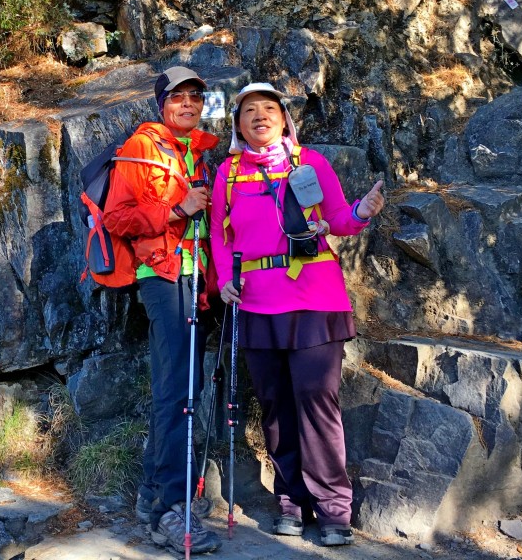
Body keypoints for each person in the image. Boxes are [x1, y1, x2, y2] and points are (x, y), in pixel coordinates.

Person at [208, 82, 385, 547]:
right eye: (249, 111)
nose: (259, 116)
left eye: (269, 108)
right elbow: (220, 240)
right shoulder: (227, 173)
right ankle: (290, 501)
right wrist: (225, 279)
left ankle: (332, 510)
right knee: (274, 408)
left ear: (284, 118)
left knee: (316, 403)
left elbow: (340, 220)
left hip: (314, 300)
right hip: (255, 304)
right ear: (238, 123)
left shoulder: (310, 164)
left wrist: (362, 211)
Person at [103, 66, 222, 554]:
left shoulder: (202, 152)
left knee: (183, 386)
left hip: (198, 282)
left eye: (195, 96)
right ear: (161, 104)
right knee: (177, 391)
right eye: (178, 96)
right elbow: (116, 216)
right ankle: (170, 511)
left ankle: (153, 493)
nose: (188, 103)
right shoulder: (141, 149)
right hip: (164, 278)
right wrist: (176, 210)